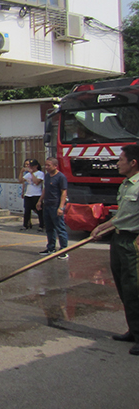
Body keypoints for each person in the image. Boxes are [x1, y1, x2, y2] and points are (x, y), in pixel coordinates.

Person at [90, 144, 139, 355]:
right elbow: (122, 216)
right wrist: (104, 226)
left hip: (133, 242)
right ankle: (134, 330)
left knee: (135, 290)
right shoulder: (126, 185)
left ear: (133, 162)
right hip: (119, 240)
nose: (117, 163)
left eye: (120, 160)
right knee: (123, 287)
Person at [36, 157, 68, 256]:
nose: (46, 167)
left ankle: (64, 250)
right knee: (49, 228)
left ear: (55, 166)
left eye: (48, 165)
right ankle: (51, 248)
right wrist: (40, 200)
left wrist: (61, 207)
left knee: (60, 228)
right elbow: (45, 189)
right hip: (47, 205)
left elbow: (64, 193)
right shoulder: (47, 176)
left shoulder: (60, 177)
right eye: (45, 165)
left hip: (55, 205)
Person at [20, 159, 45, 231]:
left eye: (32, 166)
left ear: (36, 166)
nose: (30, 167)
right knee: (27, 210)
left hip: (36, 194)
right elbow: (21, 180)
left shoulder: (40, 173)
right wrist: (21, 173)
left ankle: (41, 225)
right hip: (28, 194)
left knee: (39, 210)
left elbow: (36, 182)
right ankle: (26, 225)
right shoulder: (28, 174)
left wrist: (32, 173)